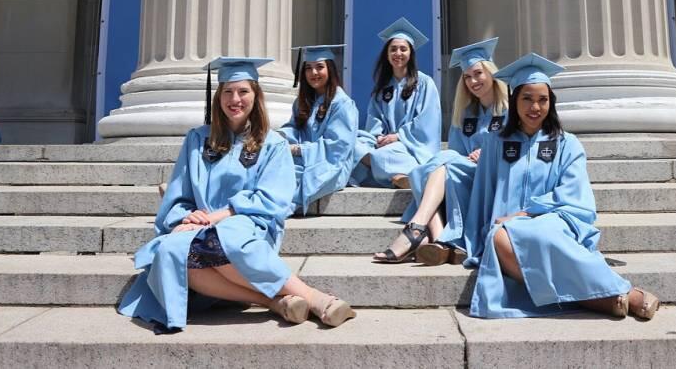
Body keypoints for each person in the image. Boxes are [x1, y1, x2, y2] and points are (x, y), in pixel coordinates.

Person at [118, 57, 356, 331]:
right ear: (218, 96)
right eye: (228, 92)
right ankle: (273, 302)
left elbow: (273, 199)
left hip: (249, 223)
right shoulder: (197, 140)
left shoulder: (274, 144)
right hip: (202, 227)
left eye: (243, 91)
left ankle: (314, 297)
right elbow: (179, 197)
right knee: (171, 250)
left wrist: (219, 216)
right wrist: (188, 215)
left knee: (226, 235)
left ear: (256, 96)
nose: (235, 99)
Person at [463, 53, 660, 320]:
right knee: (499, 238)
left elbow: (574, 195)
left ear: (551, 103)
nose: (535, 107)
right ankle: (609, 299)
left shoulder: (567, 144)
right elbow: (483, 195)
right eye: (527, 99)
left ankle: (625, 294)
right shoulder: (495, 143)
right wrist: (474, 240)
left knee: (541, 235)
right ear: (514, 101)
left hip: (554, 218)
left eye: (542, 100)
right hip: (506, 228)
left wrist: (525, 214)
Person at [373, 38, 508, 263]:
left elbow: (517, 146)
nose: (473, 81)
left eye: (478, 74)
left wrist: (488, 153)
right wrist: (468, 157)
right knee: (430, 168)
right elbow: (456, 151)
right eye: (467, 77)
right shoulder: (465, 114)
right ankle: (440, 240)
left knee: (435, 166)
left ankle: (417, 229)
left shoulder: (509, 109)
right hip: (465, 171)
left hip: (493, 175)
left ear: (491, 73)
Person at [351, 17, 441, 189]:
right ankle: (399, 175)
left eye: (403, 49)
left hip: (409, 143)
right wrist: (378, 137)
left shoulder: (424, 83)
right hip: (385, 143)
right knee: (353, 142)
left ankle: (388, 169)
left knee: (390, 152)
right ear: (387, 54)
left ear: (411, 53)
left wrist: (398, 136)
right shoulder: (383, 87)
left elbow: (427, 122)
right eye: (393, 49)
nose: (398, 53)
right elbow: (374, 118)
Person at [278, 44, 359, 214]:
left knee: (291, 175)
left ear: (330, 69)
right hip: (304, 158)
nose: (314, 73)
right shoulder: (302, 101)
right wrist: (281, 137)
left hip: (331, 165)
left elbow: (337, 147)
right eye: (308, 68)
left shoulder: (342, 103)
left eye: (320, 67)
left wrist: (298, 149)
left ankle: (275, 211)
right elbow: (293, 128)